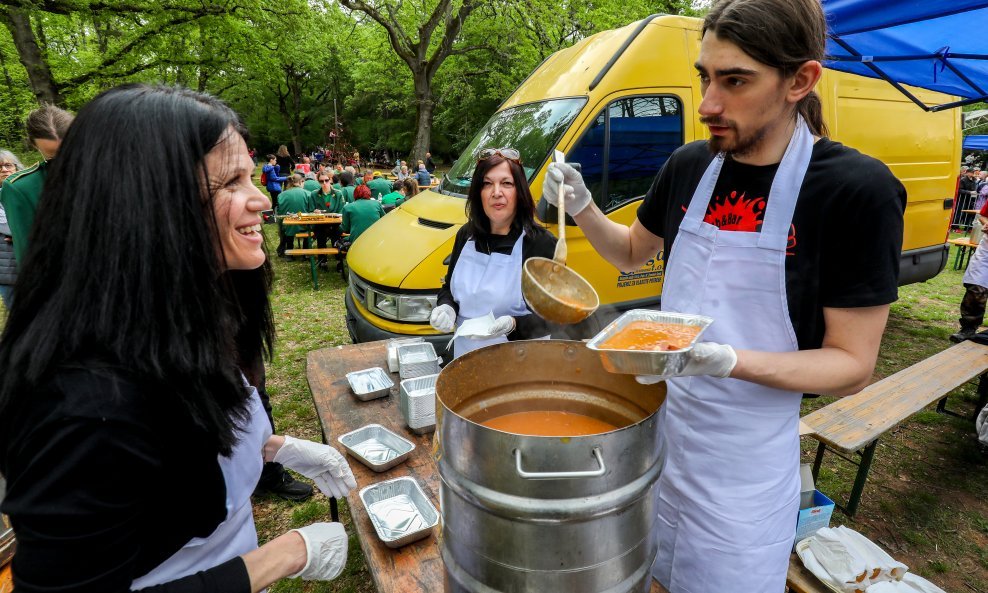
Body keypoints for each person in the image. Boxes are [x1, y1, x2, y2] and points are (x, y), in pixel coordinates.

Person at [543, 1, 905, 590]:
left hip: (745, 468)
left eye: (735, 80)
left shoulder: (854, 191)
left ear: (801, 81)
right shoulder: (690, 165)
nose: (709, 104)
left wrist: (725, 360)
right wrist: (582, 204)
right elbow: (632, 252)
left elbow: (852, 364)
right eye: (705, 77)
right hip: (661, 436)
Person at [0, 84, 356, 592]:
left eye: (250, 176)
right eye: (231, 181)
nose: (259, 199)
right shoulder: (81, 408)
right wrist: (283, 556)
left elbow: (175, 456)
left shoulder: (188, 313)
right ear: (150, 202)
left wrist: (273, 447)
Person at [429, 148, 556, 359]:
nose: (496, 192)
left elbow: (555, 317)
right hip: (467, 360)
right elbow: (448, 289)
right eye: (487, 184)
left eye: (506, 183)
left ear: (520, 191)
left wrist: (514, 325)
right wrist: (446, 307)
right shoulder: (466, 235)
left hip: (521, 364)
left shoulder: (539, 243)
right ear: (479, 193)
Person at [0, 104, 73, 263]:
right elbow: (28, 255)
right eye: (52, 154)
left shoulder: (107, 169)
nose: (63, 160)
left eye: (69, 149)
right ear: (34, 145)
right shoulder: (21, 188)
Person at [950, 200, 988, 342]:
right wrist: (986, 223)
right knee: (975, 289)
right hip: (986, 251)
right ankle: (968, 329)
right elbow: (983, 215)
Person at [0, 149, 24, 307]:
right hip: (8, 270)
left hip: (34, 261)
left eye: (8, 165)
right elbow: (8, 228)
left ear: (16, 168)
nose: (4, 170)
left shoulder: (25, 191)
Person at [310, 172, 344, 268]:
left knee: (336, 237)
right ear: (318, 182)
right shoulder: (314, 194)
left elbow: (342, 210)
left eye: (326, 180)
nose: (324, 183)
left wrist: (335, 217)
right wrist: (314, 211)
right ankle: (323, 260)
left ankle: (339, 260)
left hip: (335, 224)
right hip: (320, 223)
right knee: (320, 235)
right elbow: (310, 210)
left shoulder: (338, 193)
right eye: (321, 181)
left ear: (331, 180)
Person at [276, 173, 314, 256]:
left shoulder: (281, 195)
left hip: (287, 226)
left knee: (289, 228)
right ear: (301, 181)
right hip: (304, 225)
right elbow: (311, 210)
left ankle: (289, 252)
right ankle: (306, 253)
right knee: (309, 227)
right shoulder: (308, 194)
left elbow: (279, 211)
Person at [339, 184, 384, 248]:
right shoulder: (377, 204)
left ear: (354, 194)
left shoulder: (348, 207)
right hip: (376, 240)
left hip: (356, 241)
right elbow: (384, 220)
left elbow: (345, 228)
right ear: (369, 193)